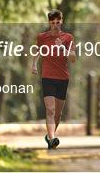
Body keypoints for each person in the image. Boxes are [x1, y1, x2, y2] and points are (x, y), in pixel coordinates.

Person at [32, 9, 76, 149]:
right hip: (47, 76)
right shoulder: (42, 37)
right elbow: (37, 51)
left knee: (58, 113)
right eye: (53, 22)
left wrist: (62, 47)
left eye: (58, 22)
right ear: (49, 22)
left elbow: (73, 58)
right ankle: (52, 139)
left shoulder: (68, 38)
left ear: (61, 21)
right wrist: (34, 65)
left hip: (62, 77)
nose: (55, 25)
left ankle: (50, 135)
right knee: (50, 110)